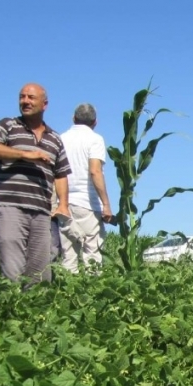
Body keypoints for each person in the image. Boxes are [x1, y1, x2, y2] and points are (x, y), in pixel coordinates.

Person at [0, 83, 71, 286]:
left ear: (44, 104)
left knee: (39, 273)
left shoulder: (55, 139)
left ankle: (33, 313)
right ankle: (11, 311)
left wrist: (63, 203)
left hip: (41, 211)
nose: (25, 101)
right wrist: (24, 154)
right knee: (13, 270)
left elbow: (61, 173)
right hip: (10, 205)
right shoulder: (8, 125)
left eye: (31, 97)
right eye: (22, 97)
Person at [59, 103, 113, 273]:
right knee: (92, 255)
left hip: (64, 202)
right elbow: (95, 172)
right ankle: (93, 295)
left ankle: (67, 295)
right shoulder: (95, 139)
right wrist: (105, 204)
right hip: (87, 203)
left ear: (73, 119)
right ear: (95, 122)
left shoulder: (60, 139)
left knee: (68, 257)